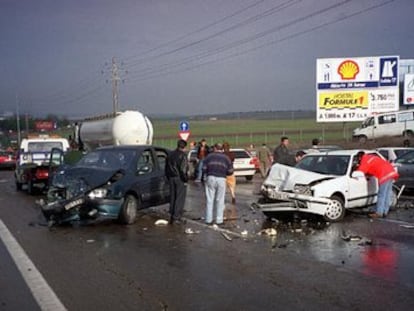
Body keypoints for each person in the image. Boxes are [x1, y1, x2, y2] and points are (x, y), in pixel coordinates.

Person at [354, 151, 399, 218]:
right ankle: (385, 211)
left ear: (360, 157)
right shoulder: (371, 157)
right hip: (391, 172)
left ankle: (379, 212)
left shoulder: (365, 160)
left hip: (384, 174)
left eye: (358, 159)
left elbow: (361, 171)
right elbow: (373, 168)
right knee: (387, 194)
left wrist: (355, 168)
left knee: (381, 194)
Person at [203, 143, 234, 225]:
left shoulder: (209, 157)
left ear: (215, 149)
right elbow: (230, 171)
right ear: (222, 149)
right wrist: (225, 173)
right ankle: (219, 220)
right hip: (221, 178)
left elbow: (204, 168)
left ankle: (208, 219)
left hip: (210, 177)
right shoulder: (226, 158)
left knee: (210, 199)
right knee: (220, 200)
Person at [165, 139, 189, 224]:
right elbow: (183, 169)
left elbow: (166, 168)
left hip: (171, 177)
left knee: (173, 197)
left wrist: (168, 177)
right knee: (180, 198)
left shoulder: (170, 155)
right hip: (179, 178)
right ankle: (176, 217)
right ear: (184, 147)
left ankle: (172, 215)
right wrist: (185, 179)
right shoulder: (183, 156)